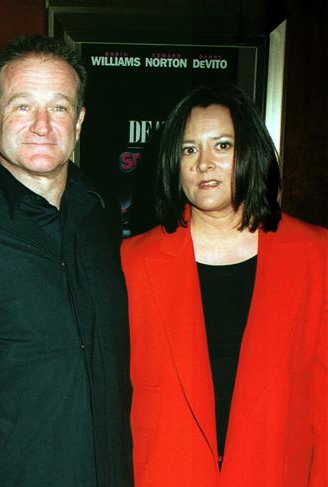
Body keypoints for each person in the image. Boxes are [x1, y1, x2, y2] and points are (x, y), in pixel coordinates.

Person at [0, 35, 133, 487]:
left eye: (59, 107)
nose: (41, 125)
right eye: (22, 106)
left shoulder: (100, 212)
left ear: (80, 121)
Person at [121, 83, 326, 486]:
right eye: (189, 149)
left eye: (222, 146)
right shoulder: (133, 262)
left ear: (250, 151)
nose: (203, 164)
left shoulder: (313, 254)